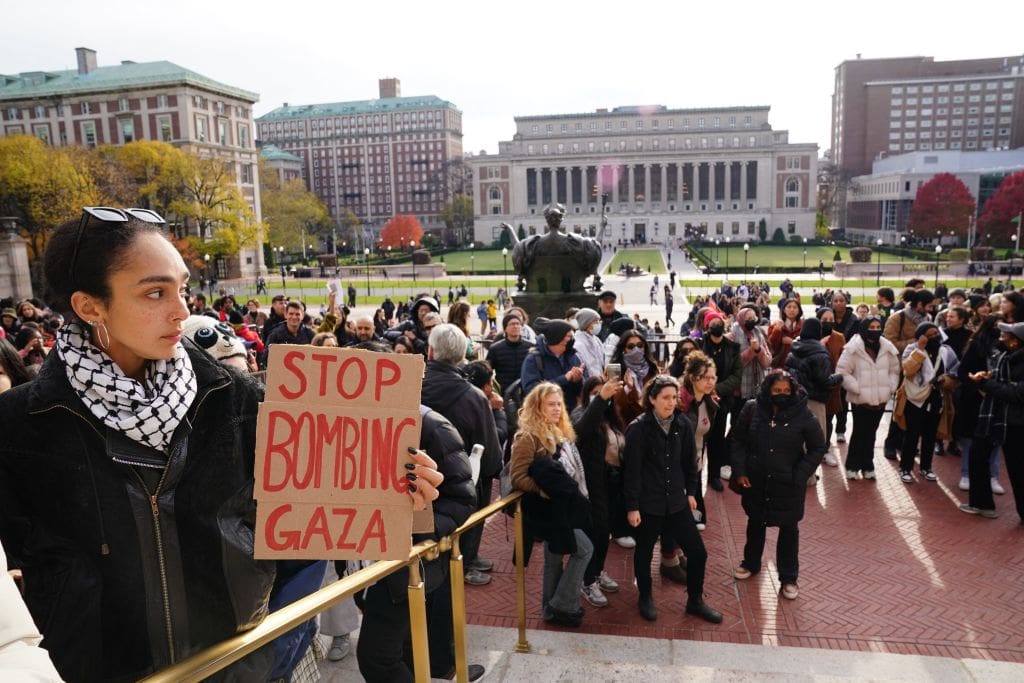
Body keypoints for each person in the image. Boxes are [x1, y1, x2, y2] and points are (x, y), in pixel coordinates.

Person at [0, 210, 444, 680]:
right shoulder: (18, 430)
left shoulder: (238, 398)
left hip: (238, 667)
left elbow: (302, 536)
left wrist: (398, 493)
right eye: (155, 292)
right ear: (90, 306)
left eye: (182, 288)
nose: (182, 311)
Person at [623, 375, 723, 624]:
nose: (671, 402)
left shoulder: (682, 424)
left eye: (674, 397)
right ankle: (645, 596)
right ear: (652, 399)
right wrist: (632, 506)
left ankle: (695, 601)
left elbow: (691, 464)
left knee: (698, 553)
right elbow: (631, 471)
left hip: (677, 502)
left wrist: (691, 492)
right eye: (665, 398)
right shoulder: (638, 428)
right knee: (644, 553)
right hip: (649, 504)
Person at [729, 370, 826, 601]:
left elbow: (818, 447)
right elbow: (737, 440)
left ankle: (789, 577)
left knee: (789, 531)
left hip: (789, 485)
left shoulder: (803, 414)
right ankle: (751, 563)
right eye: (776, 390)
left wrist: (800, 475)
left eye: (786, 391)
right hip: (757, 481)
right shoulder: (752, 409)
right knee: (755, 523)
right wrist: (740, 471)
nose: (781, 395)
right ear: (767, 390)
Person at [421, 324, 502, 587]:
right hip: (462, 481)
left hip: (420, 477)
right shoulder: (474, 397)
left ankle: (463, 560)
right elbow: (491, 458)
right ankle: (464, 563)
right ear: (460, 358)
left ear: (430, 351)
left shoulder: (412, 386)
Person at [510, 382, 593, 627]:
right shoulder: (527, 436)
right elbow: (517, 476)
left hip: (562, 509)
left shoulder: (560, 432)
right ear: (537, 407)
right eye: (551, 404)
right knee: (585, 549)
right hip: (547, 509)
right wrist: (542, 490)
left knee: (555, 555)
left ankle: (550, 608)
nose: (557, 409)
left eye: (559, 404)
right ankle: (563, 604)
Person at [572, 375, 627, 608]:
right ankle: (588, 580)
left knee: (606, 531)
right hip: (592, 484)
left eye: (604, 391)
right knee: (597, 530)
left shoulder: (612, 418)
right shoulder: (581, 413)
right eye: (595, 392)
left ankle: (598, 571)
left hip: (612, 482)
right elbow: (580, 431)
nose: (601, 395)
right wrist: (599, 399)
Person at [961, 322, 1024, 521]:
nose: (1001, 338)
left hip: (1014, 423)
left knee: (1018, 468)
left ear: (1015, 343)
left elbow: (1016, 394)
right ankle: (982, 504)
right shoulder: (1005, 357)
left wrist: (986, 383)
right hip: (993, 418)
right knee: (978, 456)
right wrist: (987, 376)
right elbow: (1002, 381)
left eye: (1005, 335)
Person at [893, 322, 959, 484]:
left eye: (936, 334)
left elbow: (956, 374)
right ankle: (906, 468)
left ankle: (926, 467)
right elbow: (908, 371)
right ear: (921, 336)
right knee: (912, 435)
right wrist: (920, 350)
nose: (934, 337)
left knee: (930, 435)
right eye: (929, 335)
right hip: (914, 399)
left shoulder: (946, 351)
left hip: (936, 398)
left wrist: (946, 379)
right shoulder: (912, 349)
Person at [835, 317, 899, 479]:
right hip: (860, 401)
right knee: (859, 433)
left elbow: (894, 370)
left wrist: (890, 387)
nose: (875, 330)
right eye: (872, 327)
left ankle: (868, 466)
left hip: (881, 400)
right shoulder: (853, 348)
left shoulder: (887, 347)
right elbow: (842, 372)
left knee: (872, 433)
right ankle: (852, 466)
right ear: (864, 328)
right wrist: (858, 389)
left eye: (878, 327)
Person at [785, 318, 843, 468]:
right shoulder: (820, 353)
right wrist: (840, 377)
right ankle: (808, 477)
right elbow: (824, 381)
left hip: (796, 399)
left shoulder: (795, 348)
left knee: (798, 438)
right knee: (815, 441)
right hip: (815, 400)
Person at [701, 311, 742, 491]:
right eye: (712, 322)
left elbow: (736, 375)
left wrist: (716, 389)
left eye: (719, 322)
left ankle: (714, 475)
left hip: (721, 401)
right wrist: (704, 388)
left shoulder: (732, 347)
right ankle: (694, 477)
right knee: (697, 441)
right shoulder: (699, 345)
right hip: (699, 400)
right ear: (707, 326)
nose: (716, 325)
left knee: (717, 440)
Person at [521, 320, 585, 409]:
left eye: (571, 336)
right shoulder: (534, 359)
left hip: (569, 412)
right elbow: (531, 390)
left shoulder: (572, 357)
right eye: (568, 336)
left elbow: (580, 391)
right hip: (543, 413)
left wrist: (577, 380)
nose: (570, 340)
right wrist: (564, 379)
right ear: (557, 337)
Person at [609, 330, 658, 427]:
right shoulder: (614, 368)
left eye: (640, 345)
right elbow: (613, 401)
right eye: (631, 347)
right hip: (627, 422)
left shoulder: (652, 367)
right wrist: (628, 388)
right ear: (624, 349)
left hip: (651, 422)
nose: (636, 350)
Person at [487, 313, 535, 395]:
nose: (516, 326)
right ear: (505, 328)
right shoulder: (495, 349)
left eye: (518, 324)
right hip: (504, 391)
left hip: (526, 391)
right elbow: (487, 370)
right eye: (512, 324)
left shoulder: (530, 347)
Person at [572, 307, 605, 381]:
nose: (598, 324)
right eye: (595, 321)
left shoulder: (596, 340)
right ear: (586, 323)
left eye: (599, 321)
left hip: (600, 382)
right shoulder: (578, 344)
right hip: (588, 385)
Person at [768, 298, 803, 369]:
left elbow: (808, 345)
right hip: (780, 366)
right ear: (784, 310)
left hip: (799, 366)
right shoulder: (775, 326)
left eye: (795, 307)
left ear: (799, 310)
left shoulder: (804, 326)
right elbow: (770, 346)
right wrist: (777, 330)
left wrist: (792, 342)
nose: (792, 310)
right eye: (789, 307)